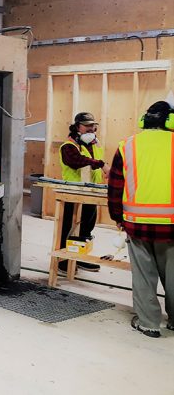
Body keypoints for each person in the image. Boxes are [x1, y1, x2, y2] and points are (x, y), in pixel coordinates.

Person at [108, 101, 174, 338]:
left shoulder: (127, 146)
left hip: (137, 223)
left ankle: (148, 323)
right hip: (172, 226)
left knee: (144, 275)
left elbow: (116, 185)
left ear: (144, 120)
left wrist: (117, 216)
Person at [58, 112, 109, 273]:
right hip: (72, 192)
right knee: (67, 226)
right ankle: (63, 260)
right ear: (77, 127)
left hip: (91, 191)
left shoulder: (93, 144)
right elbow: (76, 161)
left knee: (87, 227)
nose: (91, 128)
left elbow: (92, 163)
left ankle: (80, 258)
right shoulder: (68, 146)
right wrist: (101, 164)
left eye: (92, 125)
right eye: (86, 125)